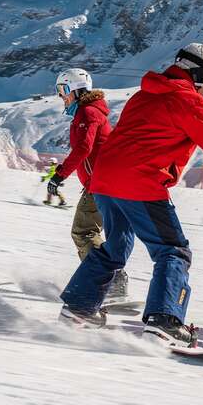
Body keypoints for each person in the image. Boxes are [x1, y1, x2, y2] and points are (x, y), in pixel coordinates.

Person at [58, 43, 203, 346]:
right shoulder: (189, 101)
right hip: (141, 183)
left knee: (115, 247)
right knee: (172, 251)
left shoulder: (143, 94)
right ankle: (165, 320)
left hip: (103, 182)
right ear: (199, 75)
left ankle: (79, 308)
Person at [44, 68, 128, 300]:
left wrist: (59, 176)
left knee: (83, 231)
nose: (61, 97)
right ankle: (112, 281)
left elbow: (83, 148)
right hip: (104, 181)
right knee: (89, 231)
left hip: (100, 183)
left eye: (63, 90)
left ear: (74, 89)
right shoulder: (91, 111)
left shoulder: (87, 112)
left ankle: (108, 282)